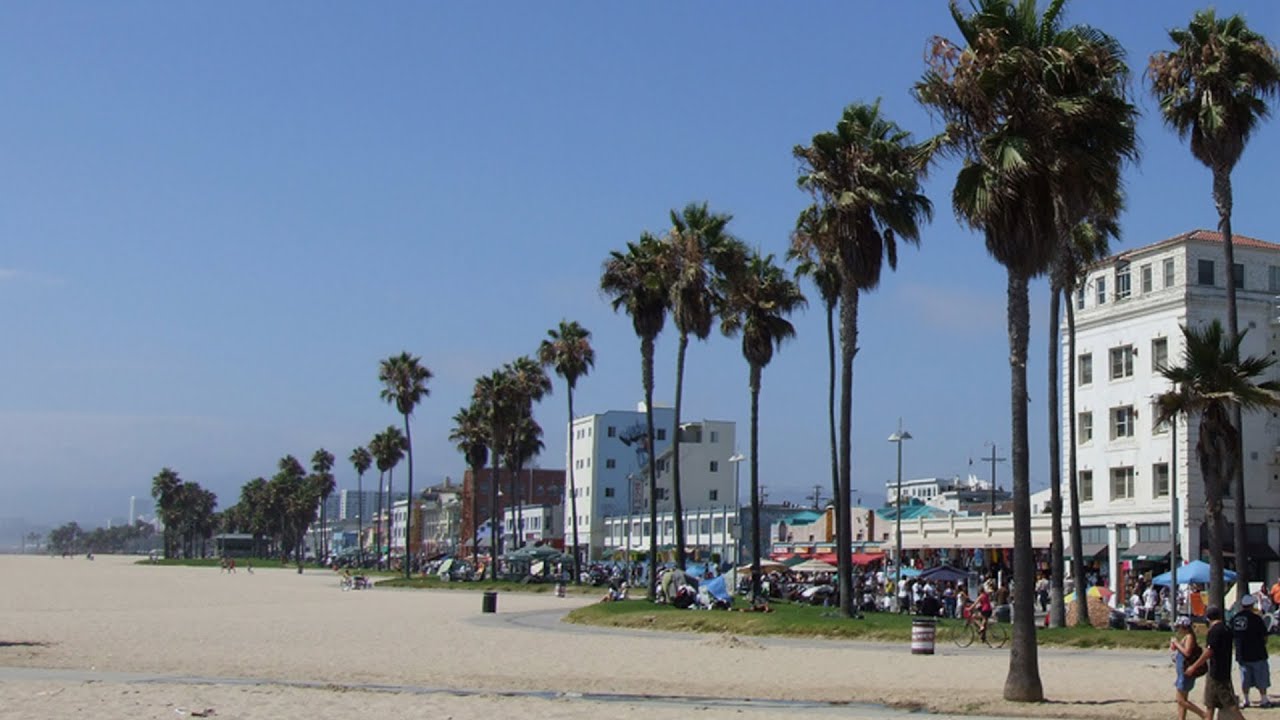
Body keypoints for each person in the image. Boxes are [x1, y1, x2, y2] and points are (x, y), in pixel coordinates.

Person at [1186, 606, 1245, 720]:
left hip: (1217, 673)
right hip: (1219, 670)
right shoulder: (1226, 629)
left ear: (1208, 618)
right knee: (1210, 703)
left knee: (1229, 704)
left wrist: (1194, 666)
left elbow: (1209, 651)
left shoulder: (1214, 631)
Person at [1231, 594, 1271, 708]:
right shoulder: (1256, 618)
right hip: (1257, 653)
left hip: (1242, 654)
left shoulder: (1235, 619)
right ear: (1251, 605)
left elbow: (1233, 635)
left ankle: (1246, 699)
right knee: (1261, 677)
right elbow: (1264, 636)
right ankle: (1263, 699)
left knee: (1245, 678)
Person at [1171, 616, 1208, 720]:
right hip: (1182, 672)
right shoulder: (1186, 636)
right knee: (1183, 699)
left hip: (1186, 673)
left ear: (1184, 627)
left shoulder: (1190, 637)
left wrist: (1177, 644)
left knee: (1180, 700)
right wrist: (1175, 647)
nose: (1178, 629)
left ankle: (1202, 714)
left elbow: (1187, 652)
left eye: (1179, 627)